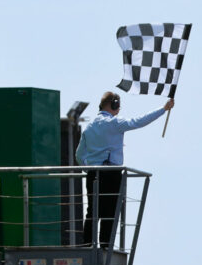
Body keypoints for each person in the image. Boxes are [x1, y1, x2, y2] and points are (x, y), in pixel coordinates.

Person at [75, 91, 174, 247]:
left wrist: (89, 169)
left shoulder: (89, 128)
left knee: (93, 211)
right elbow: (138, 121)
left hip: (93, 173)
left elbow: (79, 155)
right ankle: (105, 246)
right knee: (110, 212)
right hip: (111, 173)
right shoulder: (114, 123)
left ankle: (86, 245)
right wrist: (163, 109)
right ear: (114, 105)